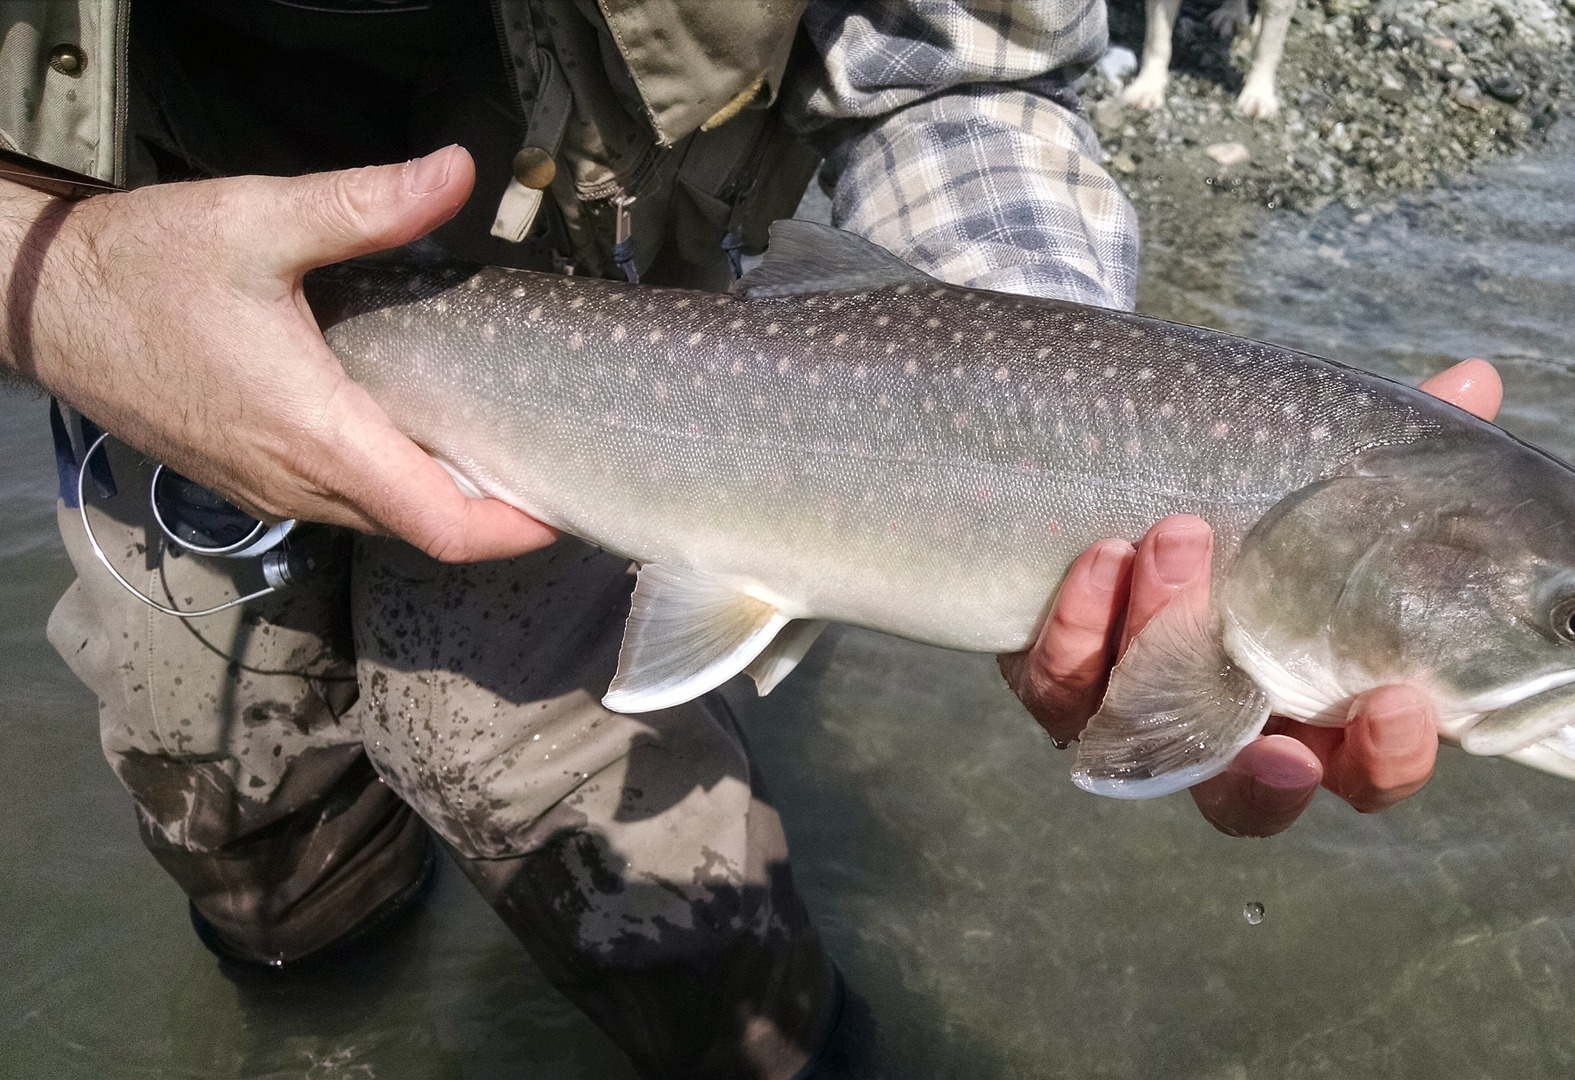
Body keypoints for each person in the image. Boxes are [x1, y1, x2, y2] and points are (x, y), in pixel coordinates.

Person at [0, 2, 1498, 1076]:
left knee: (647, 891)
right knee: (251, 841)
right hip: (134, 246)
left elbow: (944, 75)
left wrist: (1052, 430)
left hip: (628, 319)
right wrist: (53, 274)